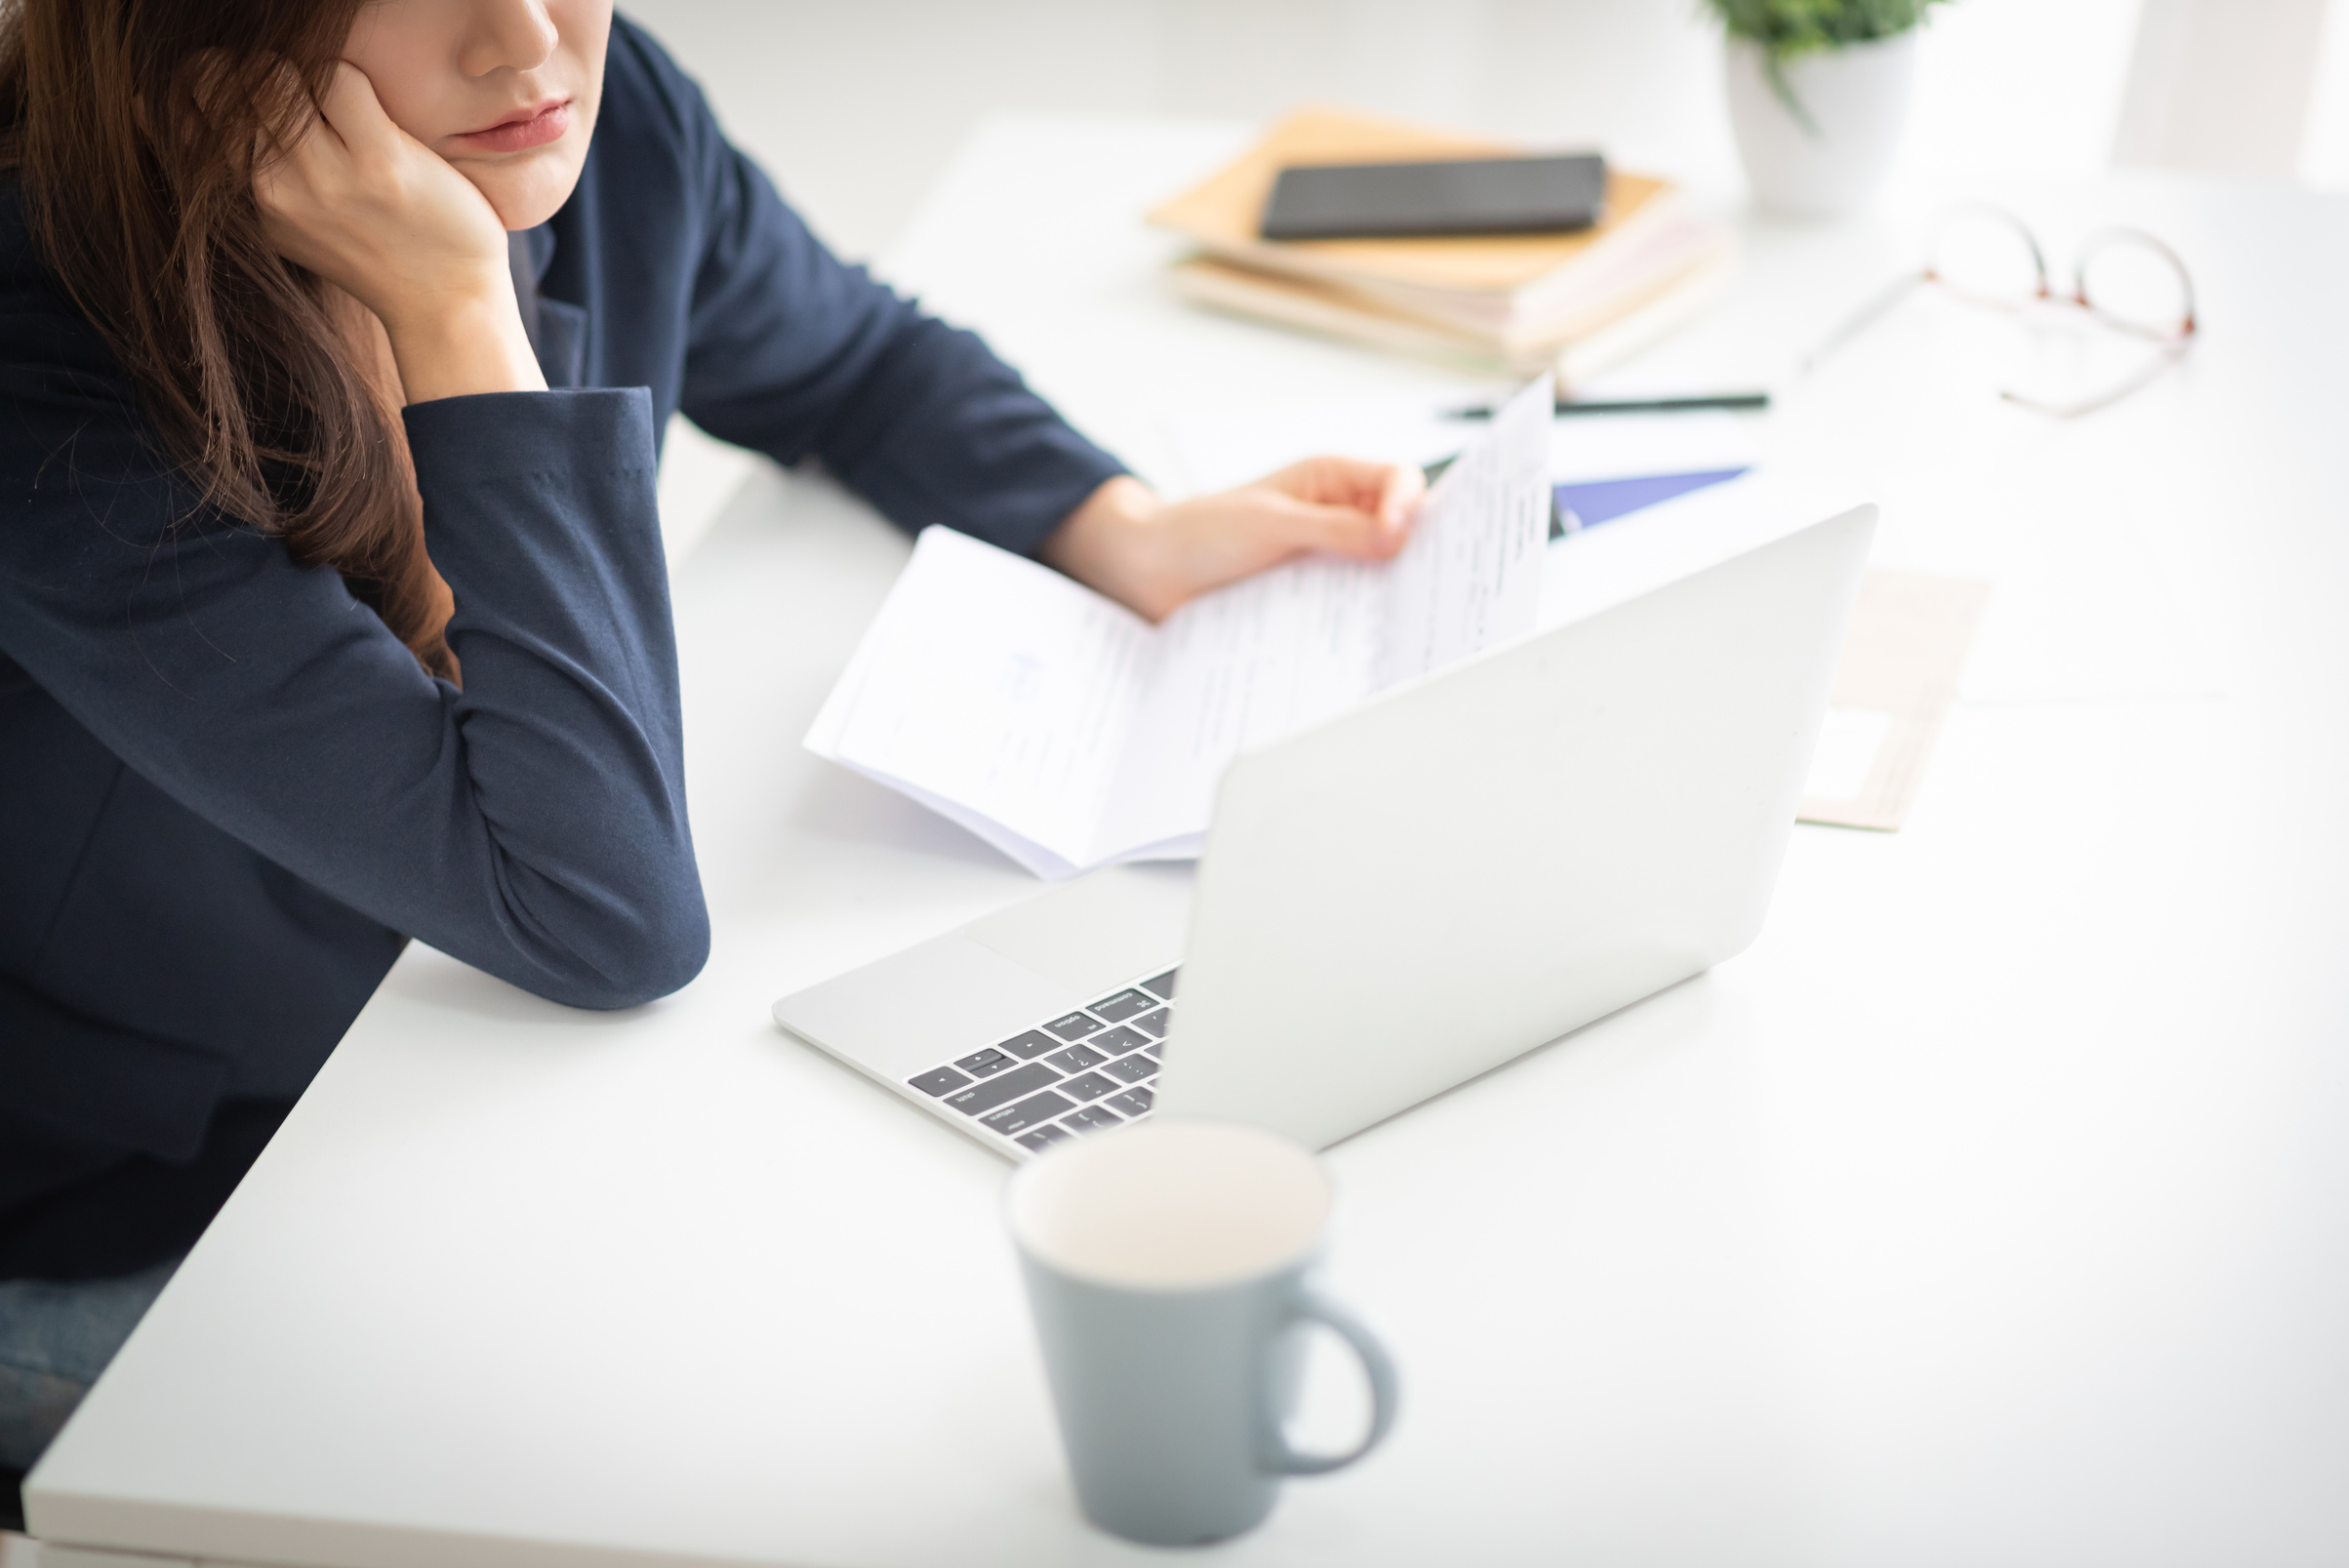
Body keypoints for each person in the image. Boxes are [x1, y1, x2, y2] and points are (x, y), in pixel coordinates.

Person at [0, 0, 1424, 1490]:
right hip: (153, 1218)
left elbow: (851, 361)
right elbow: (601, 911)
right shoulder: (45, 389)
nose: (525, 39)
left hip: (444, 1079)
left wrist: (1117, 522)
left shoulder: (567, 133)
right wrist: (459, 316)